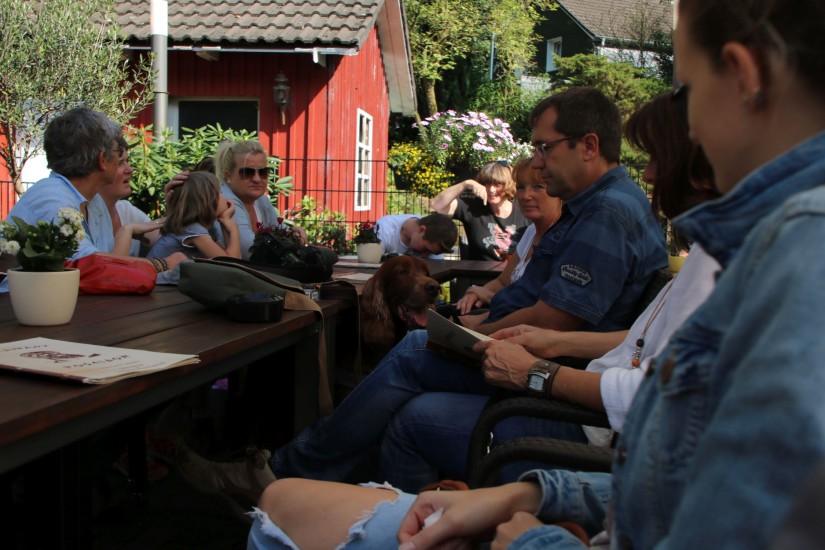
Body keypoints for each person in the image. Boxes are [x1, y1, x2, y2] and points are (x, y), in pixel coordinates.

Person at [253, 0, 825, 547]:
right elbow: (668, 456)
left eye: (688, 90)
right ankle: (329, 477)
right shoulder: (747, 246)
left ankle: (297, 469)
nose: (679, 140)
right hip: (568, 416)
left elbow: (696, 496)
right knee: (403, 382)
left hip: (565, 410)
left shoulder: (777, 259)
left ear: (743, 76)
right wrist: (536, 491)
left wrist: (535, 527)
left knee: (318, 471)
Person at [177, 87, 665, 506]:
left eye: (544, 147)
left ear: (589, 146)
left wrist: (471, 333)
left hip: (548, 380)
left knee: (412, 352)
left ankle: (284, 474)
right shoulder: (595, 209)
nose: (535, 161)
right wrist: (467, 328)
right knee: (412, 369)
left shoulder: (605, 215)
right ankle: (320, 490)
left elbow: (555, 323)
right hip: (538, 360)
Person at [1, 108, 184, 289]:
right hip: (16, 305)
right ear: (102, 160)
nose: (128, 167)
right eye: (118, 154)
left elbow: (105, 266)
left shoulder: (94, 202)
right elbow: (90, 268)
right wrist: (164, 263)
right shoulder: (52, 197)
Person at [450, 157, 562, 317]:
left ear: (559, 192)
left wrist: (489, 300)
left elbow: (542, 310)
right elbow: (503, 281)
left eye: (538, 187)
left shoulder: (563, 238)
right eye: (521, 187)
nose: (526, 196)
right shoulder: (531, 232)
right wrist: (476, 293)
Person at [146, 171, 241, 280]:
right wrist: (233, 228)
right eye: (219, 192)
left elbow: (231, 259)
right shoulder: (193, 230)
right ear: (206, 201)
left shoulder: (200, 229)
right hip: (157, 285)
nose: (226, 198)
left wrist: (225, 223)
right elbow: (231, 266)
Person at [430, 161, 528, 261]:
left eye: (498, 184)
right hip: (478, 270)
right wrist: (466, 184)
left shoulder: (525, 211)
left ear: (509, 185)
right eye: (487, 183)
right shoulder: (472, 207)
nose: (491, 190)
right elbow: (437, 205)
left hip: (516, 270)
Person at [88, 144, 162, 257]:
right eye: (120, 163)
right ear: (101, 167)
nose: (130, 170)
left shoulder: (126, 209)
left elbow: (164, 241)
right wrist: (127, 230)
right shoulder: (83, 215)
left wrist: (175, 201)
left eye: (127, 161)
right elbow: (110, 266)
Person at [373, 213, 458, 259]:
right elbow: (372, 264)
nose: (424, 255)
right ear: (421, 230)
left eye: (432, 253)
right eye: (426, 249)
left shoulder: (433, 239)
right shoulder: (384, 229)